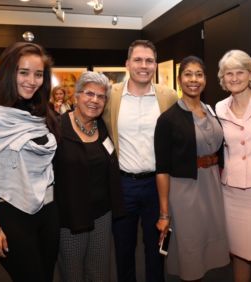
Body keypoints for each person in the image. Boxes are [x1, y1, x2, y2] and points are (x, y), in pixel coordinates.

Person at [0, 42, 60, 282]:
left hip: (48, 210)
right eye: (23, 72)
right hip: (10, 214)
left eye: (38, 74)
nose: (32, 80)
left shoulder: (39, 110)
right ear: (8, 72)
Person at [103, 39, 178, 282]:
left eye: (149, 60)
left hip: (158, 186)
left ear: (155, 65)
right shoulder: (111, 95)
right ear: (127, 64)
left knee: (156, 248)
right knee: (123, 249)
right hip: (123, 185)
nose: (143, 65)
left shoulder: (168, 96)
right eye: (138, 59)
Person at [155, 56, 230, 281]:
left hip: (212, 187)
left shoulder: (211, 110)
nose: (193, 79)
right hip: (186, 189)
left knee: (209, 250)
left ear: (205, 79)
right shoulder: (168, 119)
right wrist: (164, 213)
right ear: (179, 80)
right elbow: (162, 169)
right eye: (188, 74)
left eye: (199, 74)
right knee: (190, 249)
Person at [54, 71, 125, 281]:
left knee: (100, 272)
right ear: (76, 96)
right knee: (72, 273)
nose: (95, 100)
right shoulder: (57, 128)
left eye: (101, 96)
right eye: (89, 94)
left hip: (102, 214)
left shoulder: (102, 127)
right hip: (71, 218)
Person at [215, 50, 251, 282]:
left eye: (240, 72)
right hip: (231, 192)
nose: (235, 78)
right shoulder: (218, 108)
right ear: (222, 77)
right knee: (238, 252)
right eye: (229, 73)